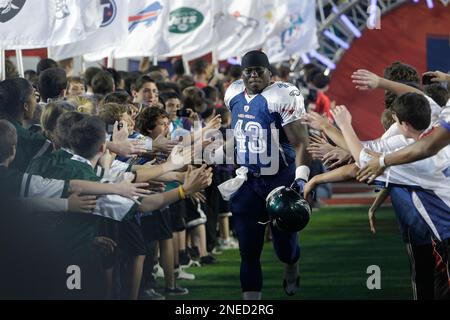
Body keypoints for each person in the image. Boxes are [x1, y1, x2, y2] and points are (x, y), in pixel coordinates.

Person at [222, 50, 311, 300]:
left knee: (285, 247)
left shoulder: (282, 94)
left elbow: (301, 142)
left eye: (259, 71)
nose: (253, 76)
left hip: (279, 179)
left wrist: (301, 178)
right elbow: (237, 133)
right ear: (242, 75)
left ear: (269, 73)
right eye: (248, 72)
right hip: (248, 181)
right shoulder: (233, 93)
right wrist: (217, 154)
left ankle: (291, 265)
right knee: (249, 251)